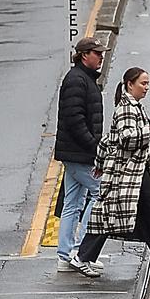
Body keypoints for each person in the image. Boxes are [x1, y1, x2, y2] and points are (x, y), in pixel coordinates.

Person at [70, 67, 150, 277]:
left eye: (147, 83)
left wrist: (99, 163)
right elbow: (126, 138)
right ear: (129, 84)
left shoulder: (133, 106)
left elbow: (110, 139)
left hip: (135, 172)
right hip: (127, 174)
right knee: (129, 213)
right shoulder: (126, 108)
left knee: (142, 213)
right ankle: (82, 257)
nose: (147, 88)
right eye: (143, 83)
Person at [54, 36, 107, 273]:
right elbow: (75, 119)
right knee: (100, 193)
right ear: (84, 55)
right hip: (80, 153)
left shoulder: (82, 78)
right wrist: (94, 147)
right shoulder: (78, 80)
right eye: (97, 53)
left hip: (74, 152)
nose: (101, 57)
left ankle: (65, 255)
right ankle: (81, 251)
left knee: (73, 203)